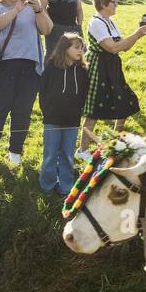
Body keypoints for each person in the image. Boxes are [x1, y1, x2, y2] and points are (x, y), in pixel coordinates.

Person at [0, 0, 51, 168]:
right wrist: (15, 11)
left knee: (22, 111)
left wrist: (38, 10)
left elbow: (47, 29)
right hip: (5, 66)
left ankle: (15, 152)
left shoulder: (31, 9)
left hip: (30, 67)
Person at [81, 0, 145, 150]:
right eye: (114, 2)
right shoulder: (96, 22)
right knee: (94, 110)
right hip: (99, 67)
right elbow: (112, 47)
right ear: (103, 3)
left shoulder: (110, 22)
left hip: (112, 66)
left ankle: (115, 143)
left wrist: (137, 35)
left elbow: (124, 47)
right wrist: (135, 35)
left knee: (123, 102)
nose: (116, 5)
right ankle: (82, 150)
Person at [39, 33, 89, 195]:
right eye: (76, 47)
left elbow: (84, 93)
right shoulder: (52, 67)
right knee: (50, 154)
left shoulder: (82, 70)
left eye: (81, 48)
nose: (80, 51)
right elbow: (43, 90)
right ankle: (47, 184)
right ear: (64, 48)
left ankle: (66, 186)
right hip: (52, 118)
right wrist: (46, 110)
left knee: (67, 154)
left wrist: (78, 110)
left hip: (72, 120)